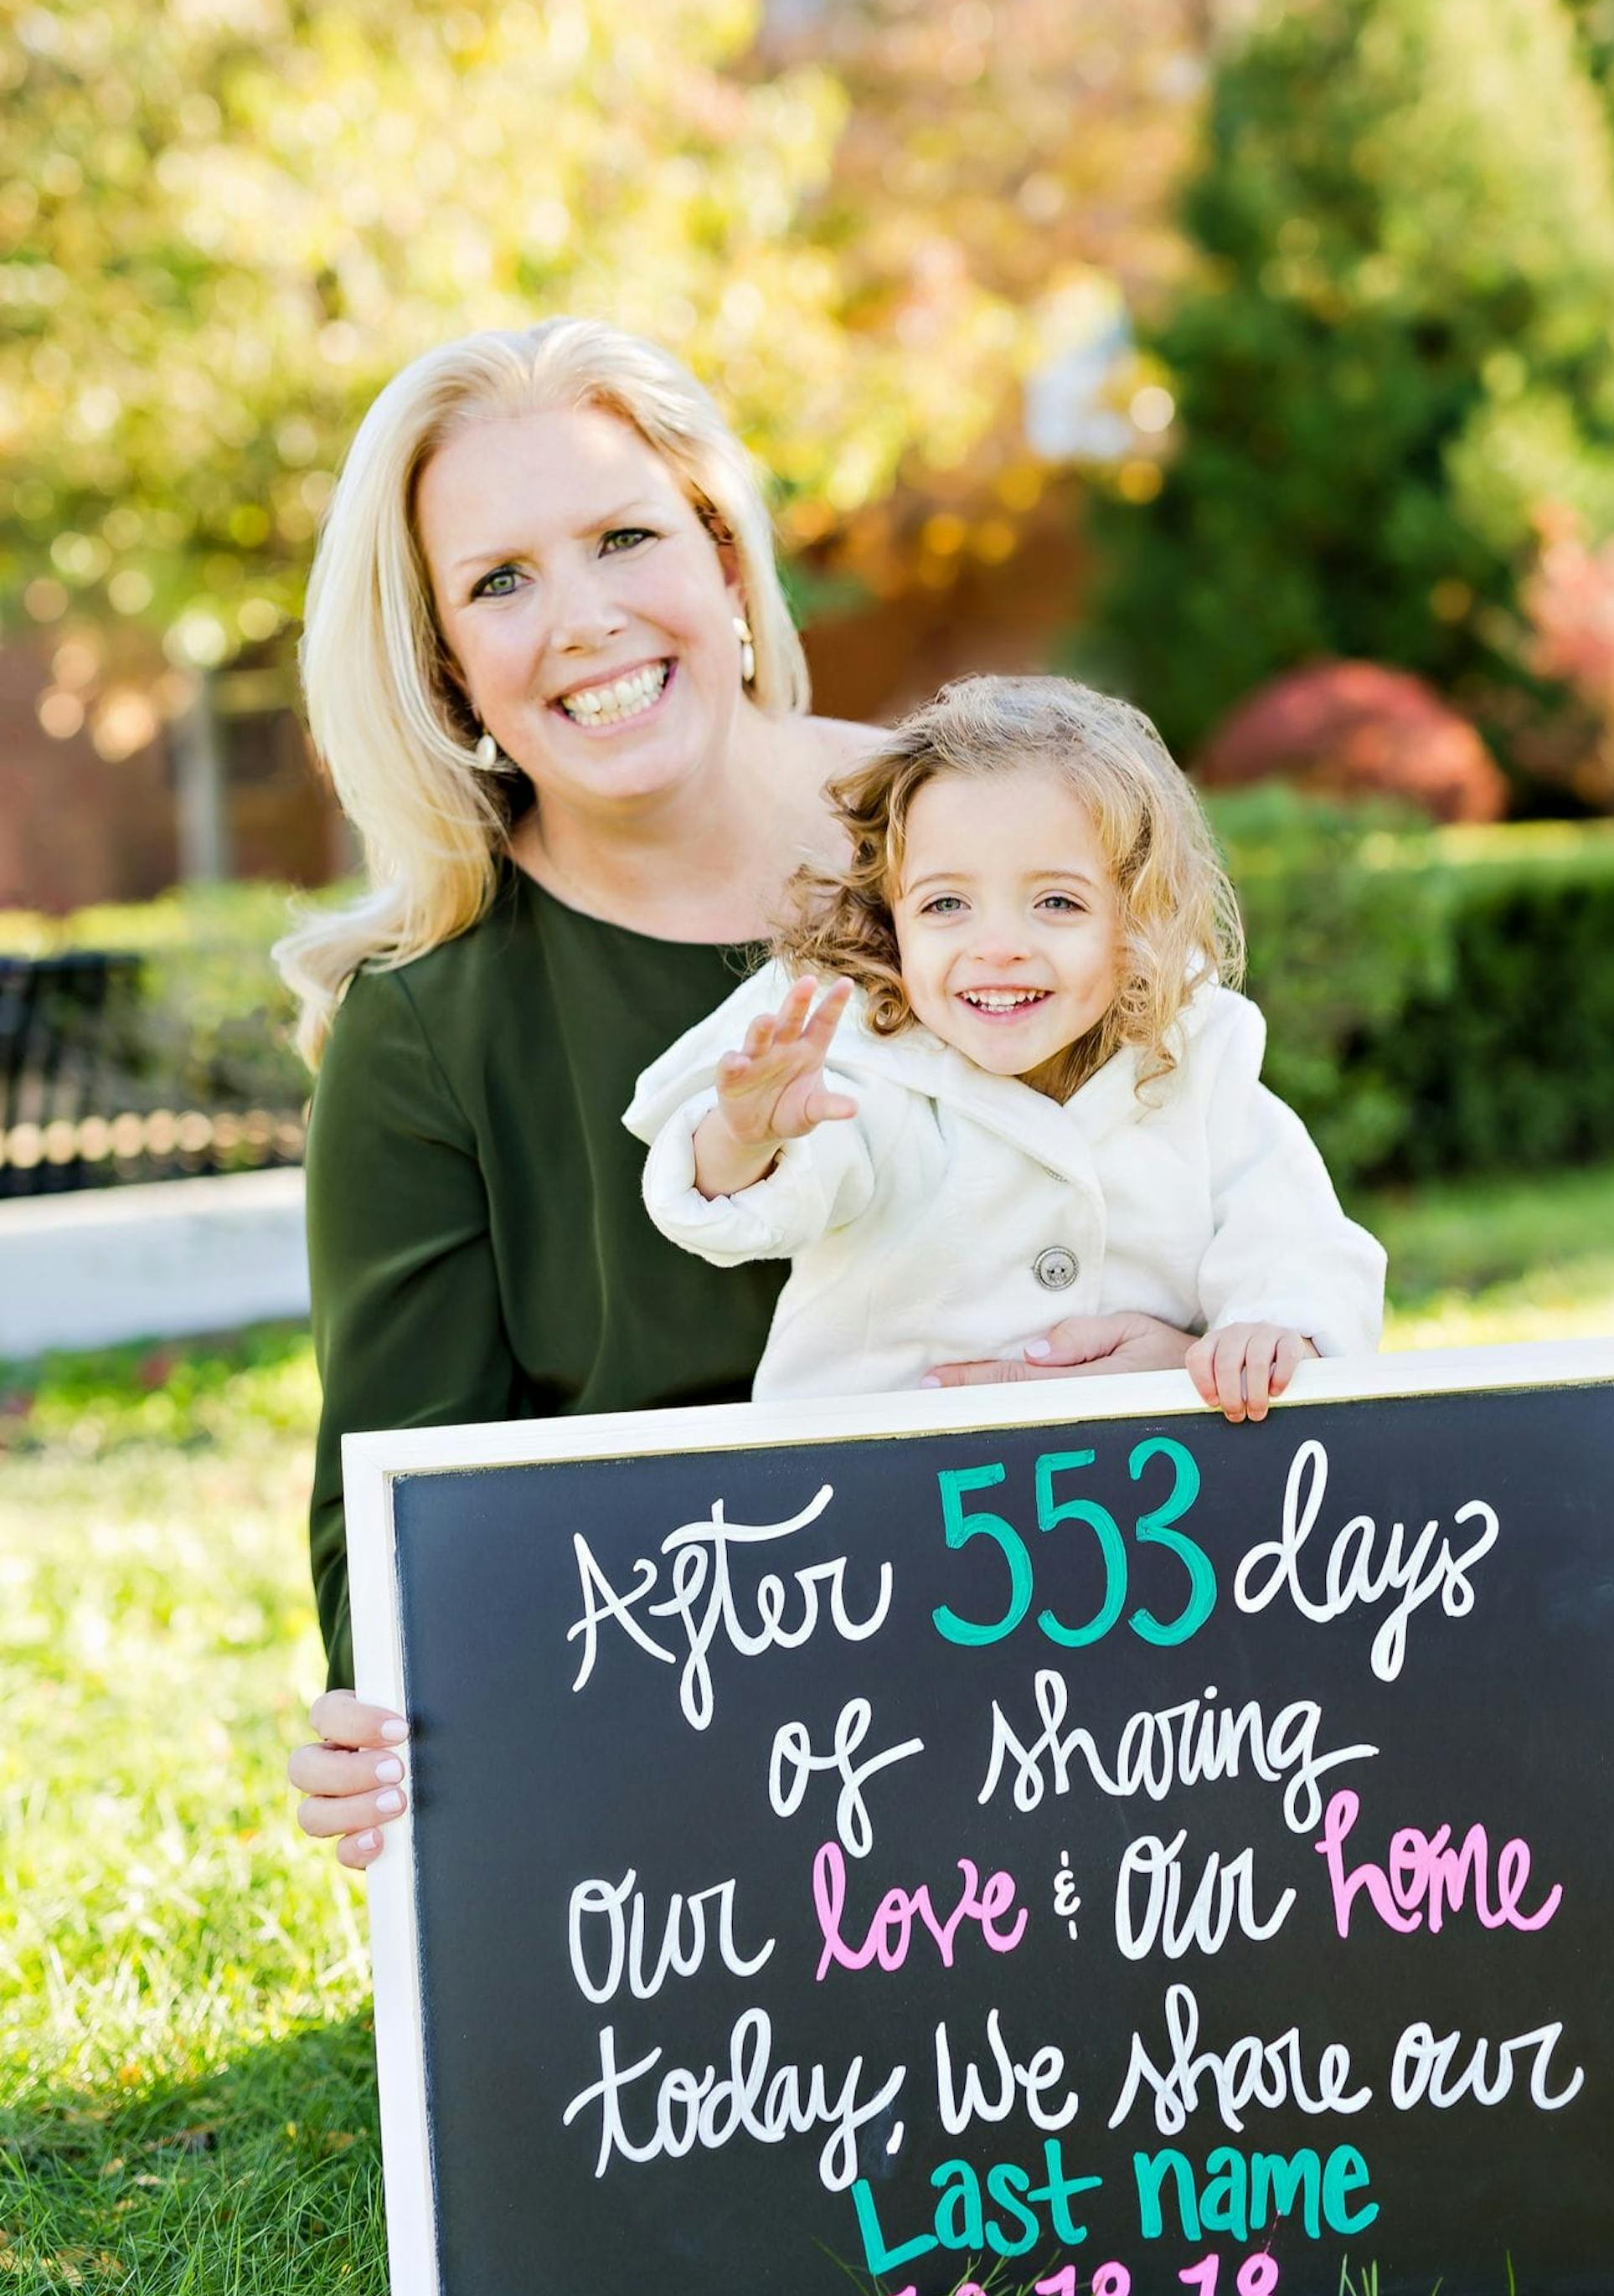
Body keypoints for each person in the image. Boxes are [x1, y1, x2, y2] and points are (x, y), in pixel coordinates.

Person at [281, 320, 1225, 1872]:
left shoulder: (1002, 827)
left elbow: (1235, 1185)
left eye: (624, 537)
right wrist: (371, 1730)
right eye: (499, 582)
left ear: (724, 560)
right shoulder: (430, 1028)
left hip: (1119, 1741)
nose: (580, 619)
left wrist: (1197, 1357)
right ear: (446, 661)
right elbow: (406, 1523)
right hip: (723, 1830)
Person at [627, 675, 1385, 1399]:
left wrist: (1281, 1328)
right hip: (874, 1496)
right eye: (946, 903)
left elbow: (1297, 1235)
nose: (997, 946)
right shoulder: (864, 1056)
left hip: (1132, 1492)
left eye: (1055, 901)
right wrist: (746, 1136)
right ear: (891, 917)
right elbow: (763, 1202)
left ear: (1136, 917)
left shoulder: (1191, 1063)